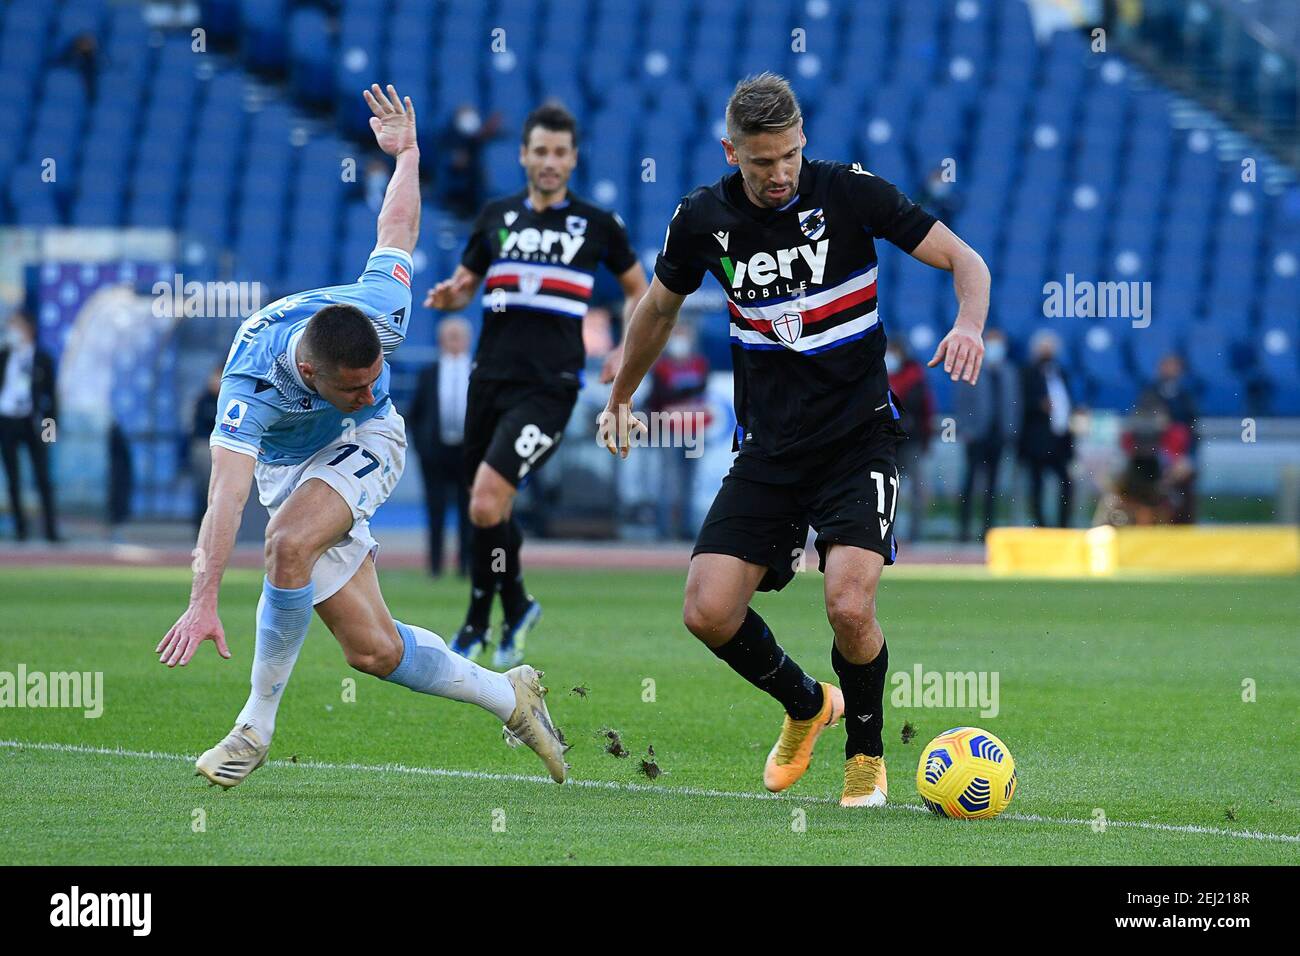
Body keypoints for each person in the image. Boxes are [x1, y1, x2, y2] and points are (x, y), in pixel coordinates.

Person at [156, 85, 567, 790]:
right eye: (352, 384)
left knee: (286, 542)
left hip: (367, 444)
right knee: (372, 651)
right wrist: (203, 596)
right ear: (310, 372)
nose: (371, 385)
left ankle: (254, 728)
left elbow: (395, 232)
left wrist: (407, 154)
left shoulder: (379, 318)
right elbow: (224, 499)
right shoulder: (247, 388)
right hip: (288, 468)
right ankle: (512, 696)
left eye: (376, 374)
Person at [600, 73, 989, 808]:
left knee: (848, 604)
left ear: (803, 139)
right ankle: (809, 704)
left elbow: (967, 262)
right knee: (707, 611)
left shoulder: (850, 192)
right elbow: (656, 309)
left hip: (858, 439)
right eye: (761, 162)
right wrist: (621, 395)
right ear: (731, 151)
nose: (779, 174)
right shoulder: (701, 220)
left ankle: (866, 757)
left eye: (789, 156)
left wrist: (967, 324)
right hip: (771, 449)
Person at [424, 101, 648, 668]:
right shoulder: (496, 216)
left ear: (573, 159)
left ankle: (480, 618)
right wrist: (452, 296)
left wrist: (624, 349)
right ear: (523, 154)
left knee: (484, 499)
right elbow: (466, 284)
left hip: (549, 387)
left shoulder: (598, 225)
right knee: (488, 510)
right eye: (540, 151)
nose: (550, 162)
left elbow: (639, 292)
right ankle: (513, 605)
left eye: (560, 153)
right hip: (488, 379)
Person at [405, 317, 473, 576]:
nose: (454, 342)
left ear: (467, 340)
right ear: (441, 340)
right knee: (435, 509)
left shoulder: (477, 371)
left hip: (468, 452)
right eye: (449, 337)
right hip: (435, 452)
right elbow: (416, 413)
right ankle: (435, 566)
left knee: (469, 511)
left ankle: (465, 565)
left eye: (458, 336)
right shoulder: (428, 373)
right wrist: (422, 448)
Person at [0, 309, 61, 543]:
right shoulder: (4, 356)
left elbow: (50, 400)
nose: (11, 331)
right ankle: (20, 531)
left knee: (43, 478)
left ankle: (51, 531)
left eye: (15, 325)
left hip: (32, 422)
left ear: (28, 329)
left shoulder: (43, 359)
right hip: (7, 421)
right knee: (13, 479)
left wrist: (49, 433)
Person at [954, 328, 1019, 542]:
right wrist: (965, 429)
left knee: (992, 485)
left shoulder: (1009, 372)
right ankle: (963, 529)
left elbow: (1014, 404)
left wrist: (1011, 430)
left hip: (998, 435)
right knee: (970, 482)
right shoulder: (972, 368)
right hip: (976, 435)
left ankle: (987, 530)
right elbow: (962, 403)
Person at [648, 323, 711, 540]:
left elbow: (701, 388)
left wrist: (679, 393)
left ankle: (686, 527)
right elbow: (660, 396)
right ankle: (663, 529)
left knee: (690, 480)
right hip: (669, 427)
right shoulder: (663, 366)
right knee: (669, 479)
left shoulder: (699, 364)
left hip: (693, 427)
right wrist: (683, 393)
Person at [1019, 330, 1075, 528]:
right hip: (1037, 441)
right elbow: (1019, 403)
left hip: (1060, 439)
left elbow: (1068, 402)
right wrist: (1038, 405)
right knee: (1037, 486)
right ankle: (1040, 525)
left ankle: (1063, 526)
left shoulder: (1061, 372)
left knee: (1067, 483)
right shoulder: (1027, 372)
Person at [885, 338, 933, 542]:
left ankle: (915, 533)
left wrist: (925, 440)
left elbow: (925, 410)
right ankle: (885, 531)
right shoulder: (878, 375)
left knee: (915, 489)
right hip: (886, 442)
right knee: (886, 489)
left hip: (910, 441)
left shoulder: (915, 377)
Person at [1145, 353, 1198, 523]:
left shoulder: (1185, 397)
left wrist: (1187, 458)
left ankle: (1184, 527)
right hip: (1153, 453)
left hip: (1178, 453)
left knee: (1186, 479)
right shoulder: (1149, 393)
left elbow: (1193, 430)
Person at [189, 364, 223, 533]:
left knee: (222, 492)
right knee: (204, 491)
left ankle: (218, 530)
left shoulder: (229, 399)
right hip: (204, 448)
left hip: (223, 450)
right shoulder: (204, 400)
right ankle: (200, 529)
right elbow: (197, 429)